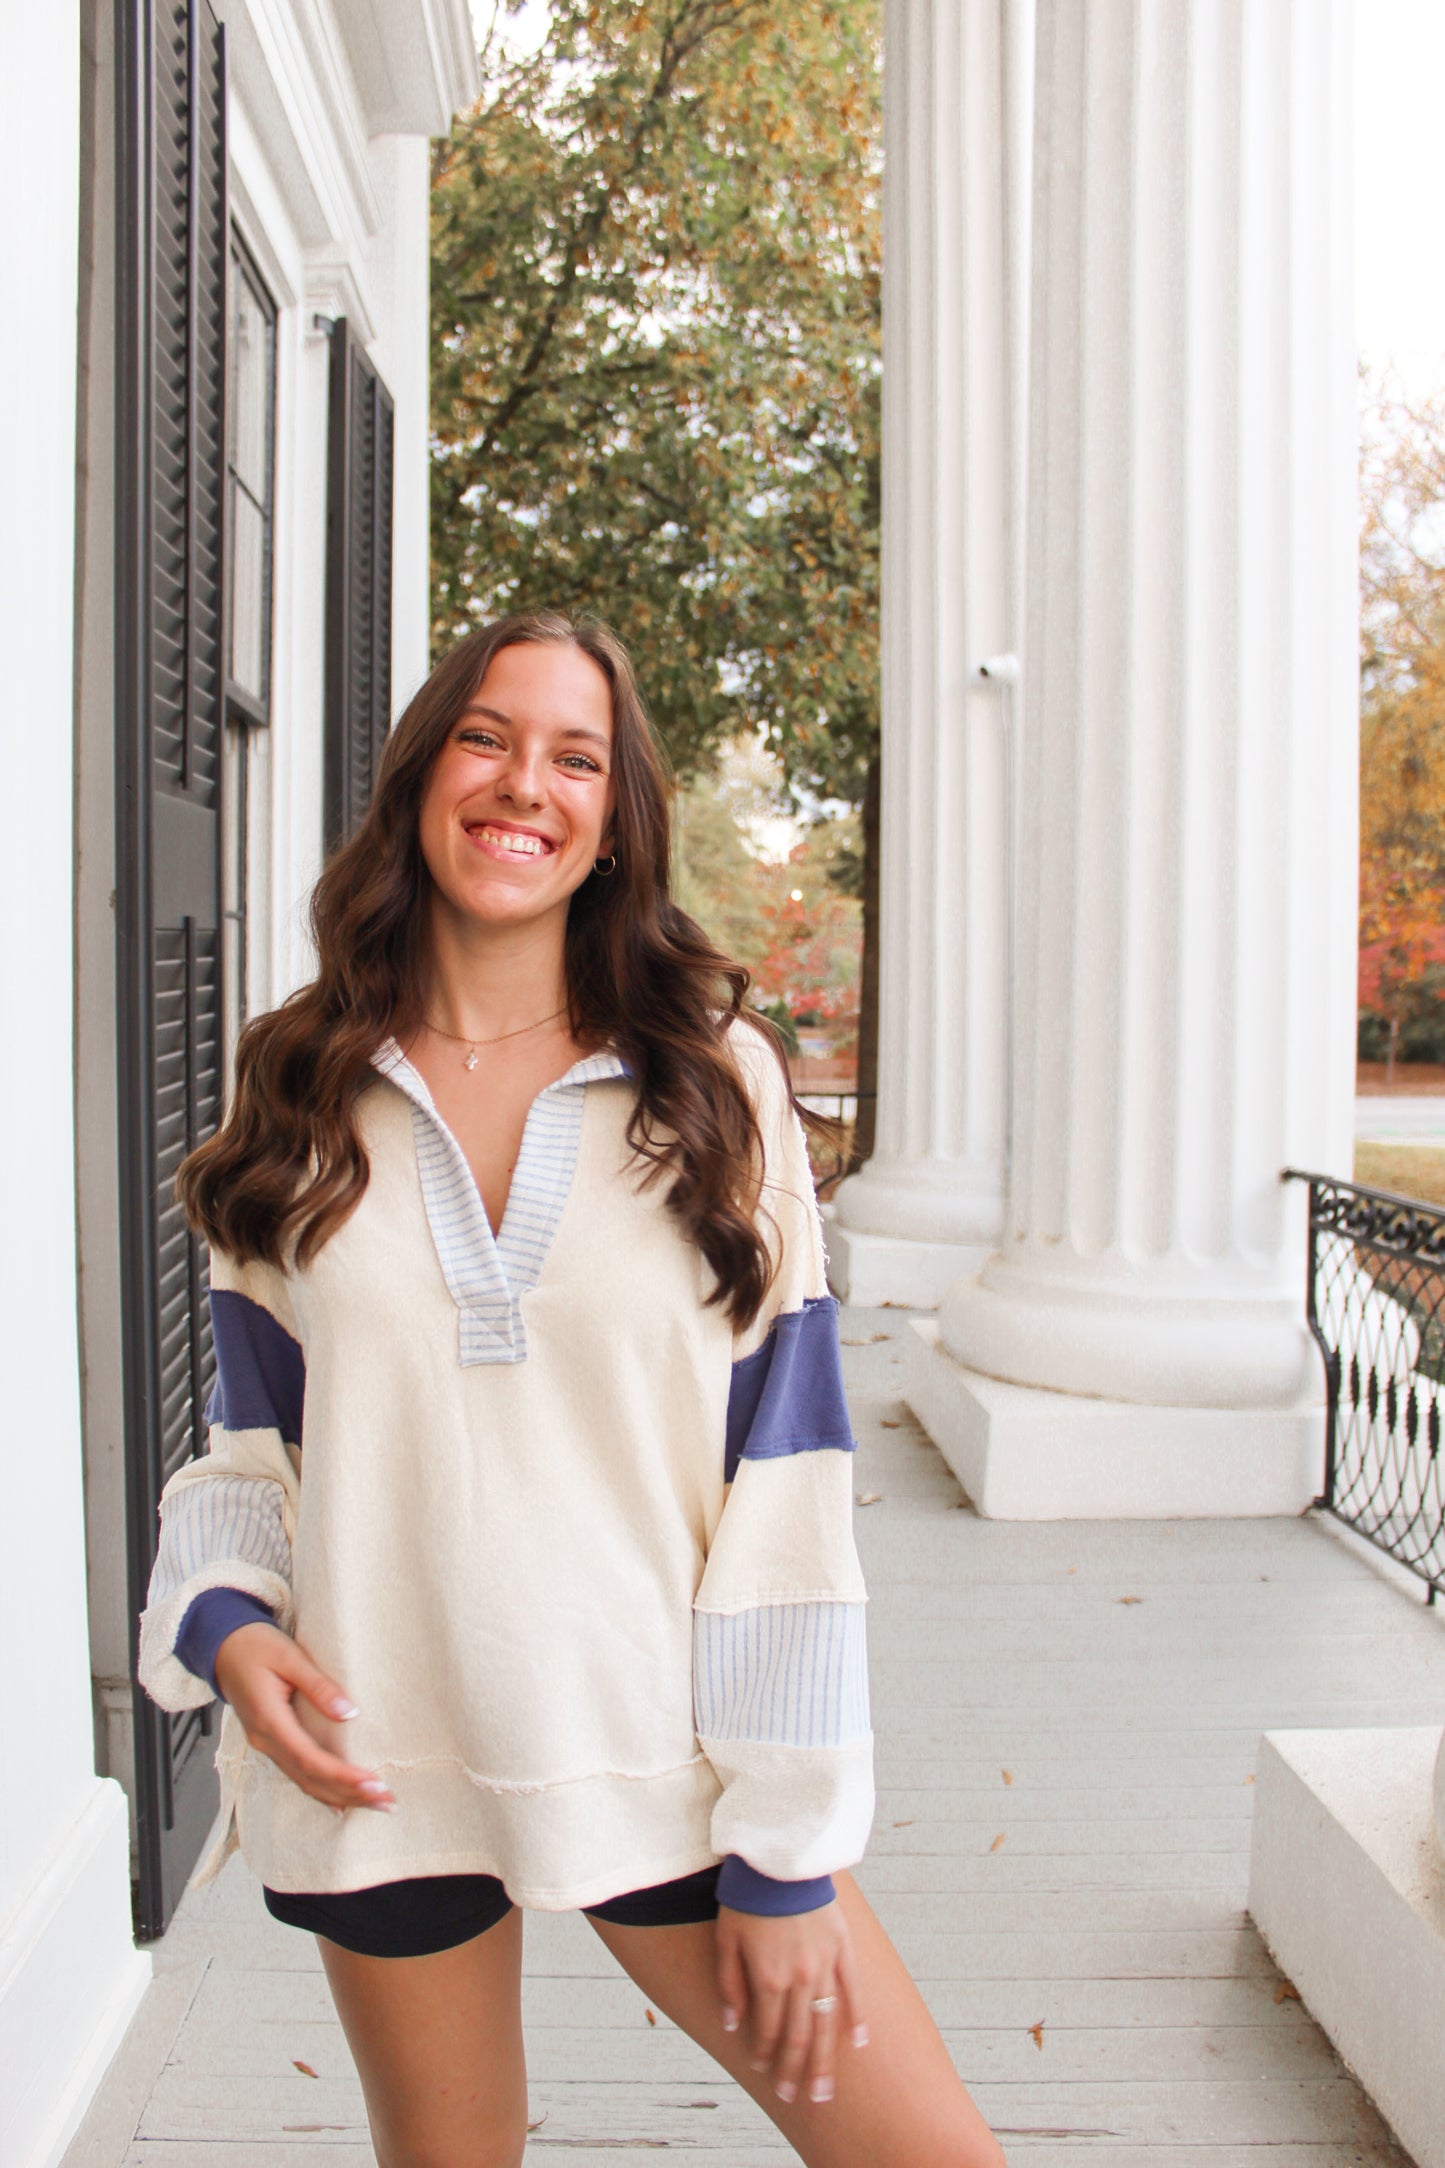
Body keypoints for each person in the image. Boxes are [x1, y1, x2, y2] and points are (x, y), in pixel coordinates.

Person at [137, 611, 1005, 2168]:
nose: (521, 780)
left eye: (573, 755)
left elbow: (787, 1475)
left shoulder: (709, 1080)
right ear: (420, 777)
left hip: (659, 1750)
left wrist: (789, 1848)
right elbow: (253, 1453)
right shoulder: (295, 1084)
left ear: (612, 822)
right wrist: (227, 1625)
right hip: (379, 1747)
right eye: (485, 736)